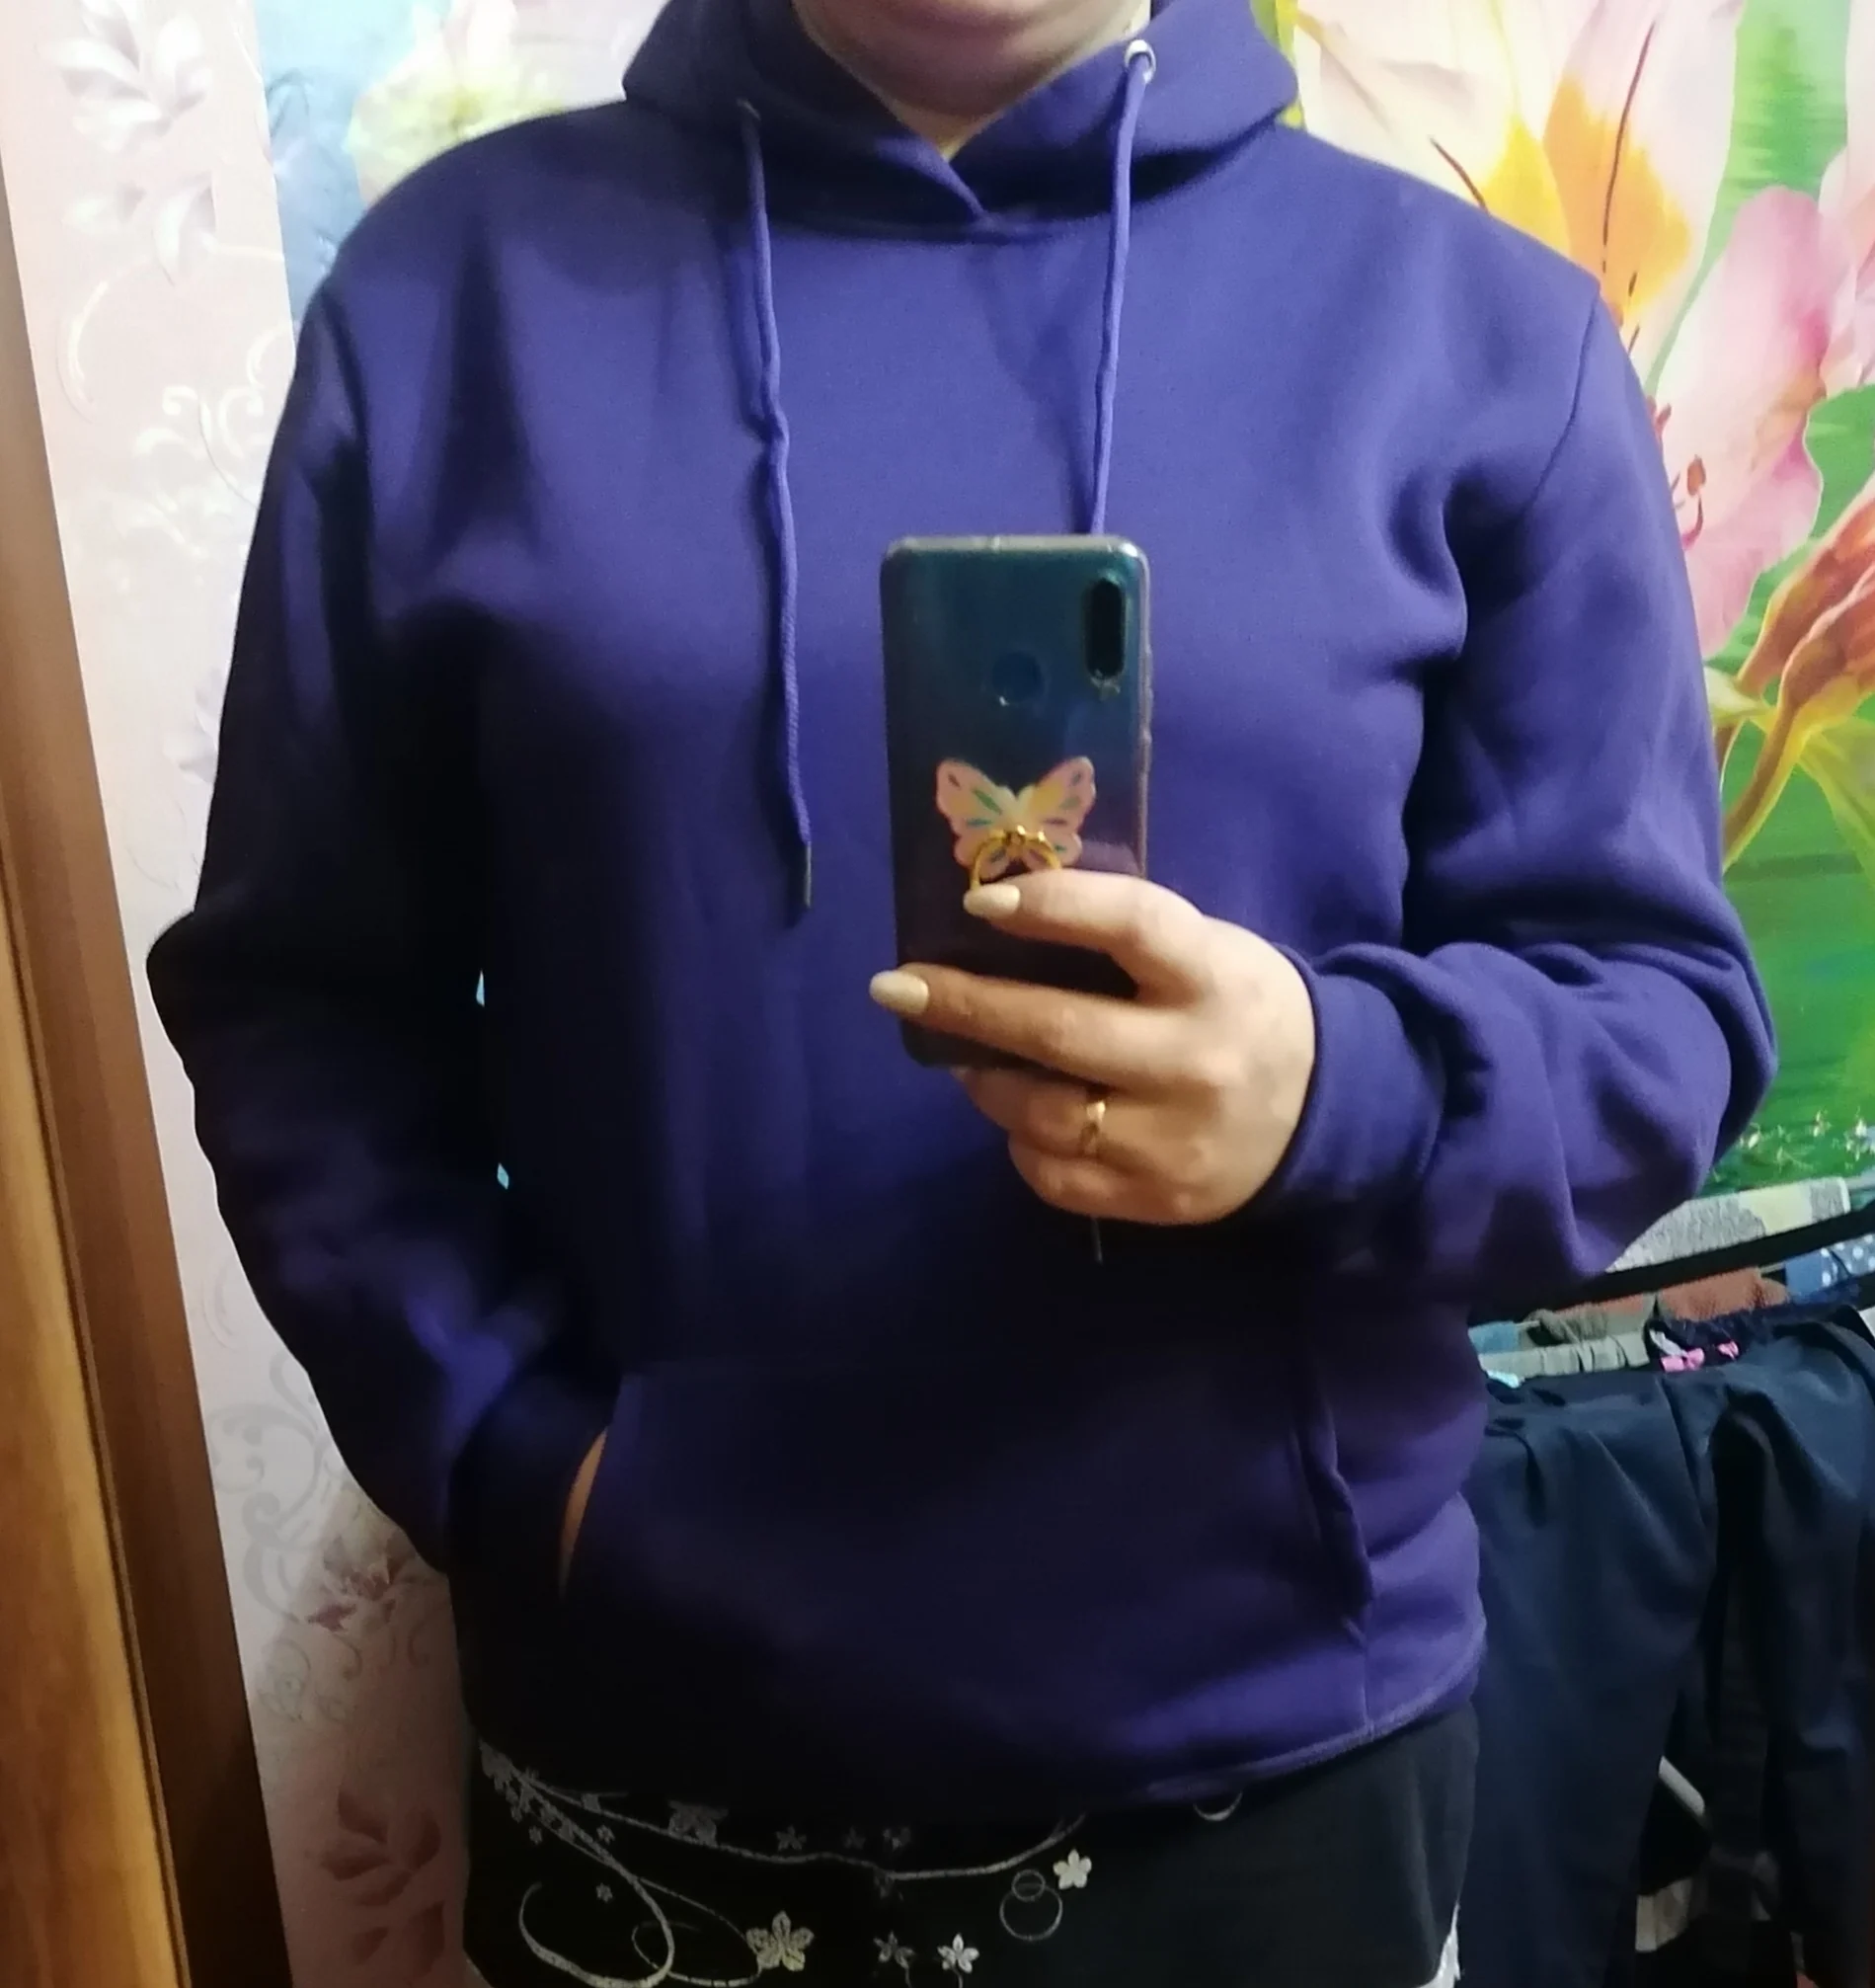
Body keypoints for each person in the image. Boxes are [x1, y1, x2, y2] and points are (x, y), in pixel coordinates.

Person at [148, 0, 1776, 1980]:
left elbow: (1656, 1020)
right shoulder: (454, 302)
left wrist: (1331, 1090)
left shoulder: (1478, 333)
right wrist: (511, 1455)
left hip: (1274, 1759)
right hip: (643, 1742)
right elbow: (302, 1000)